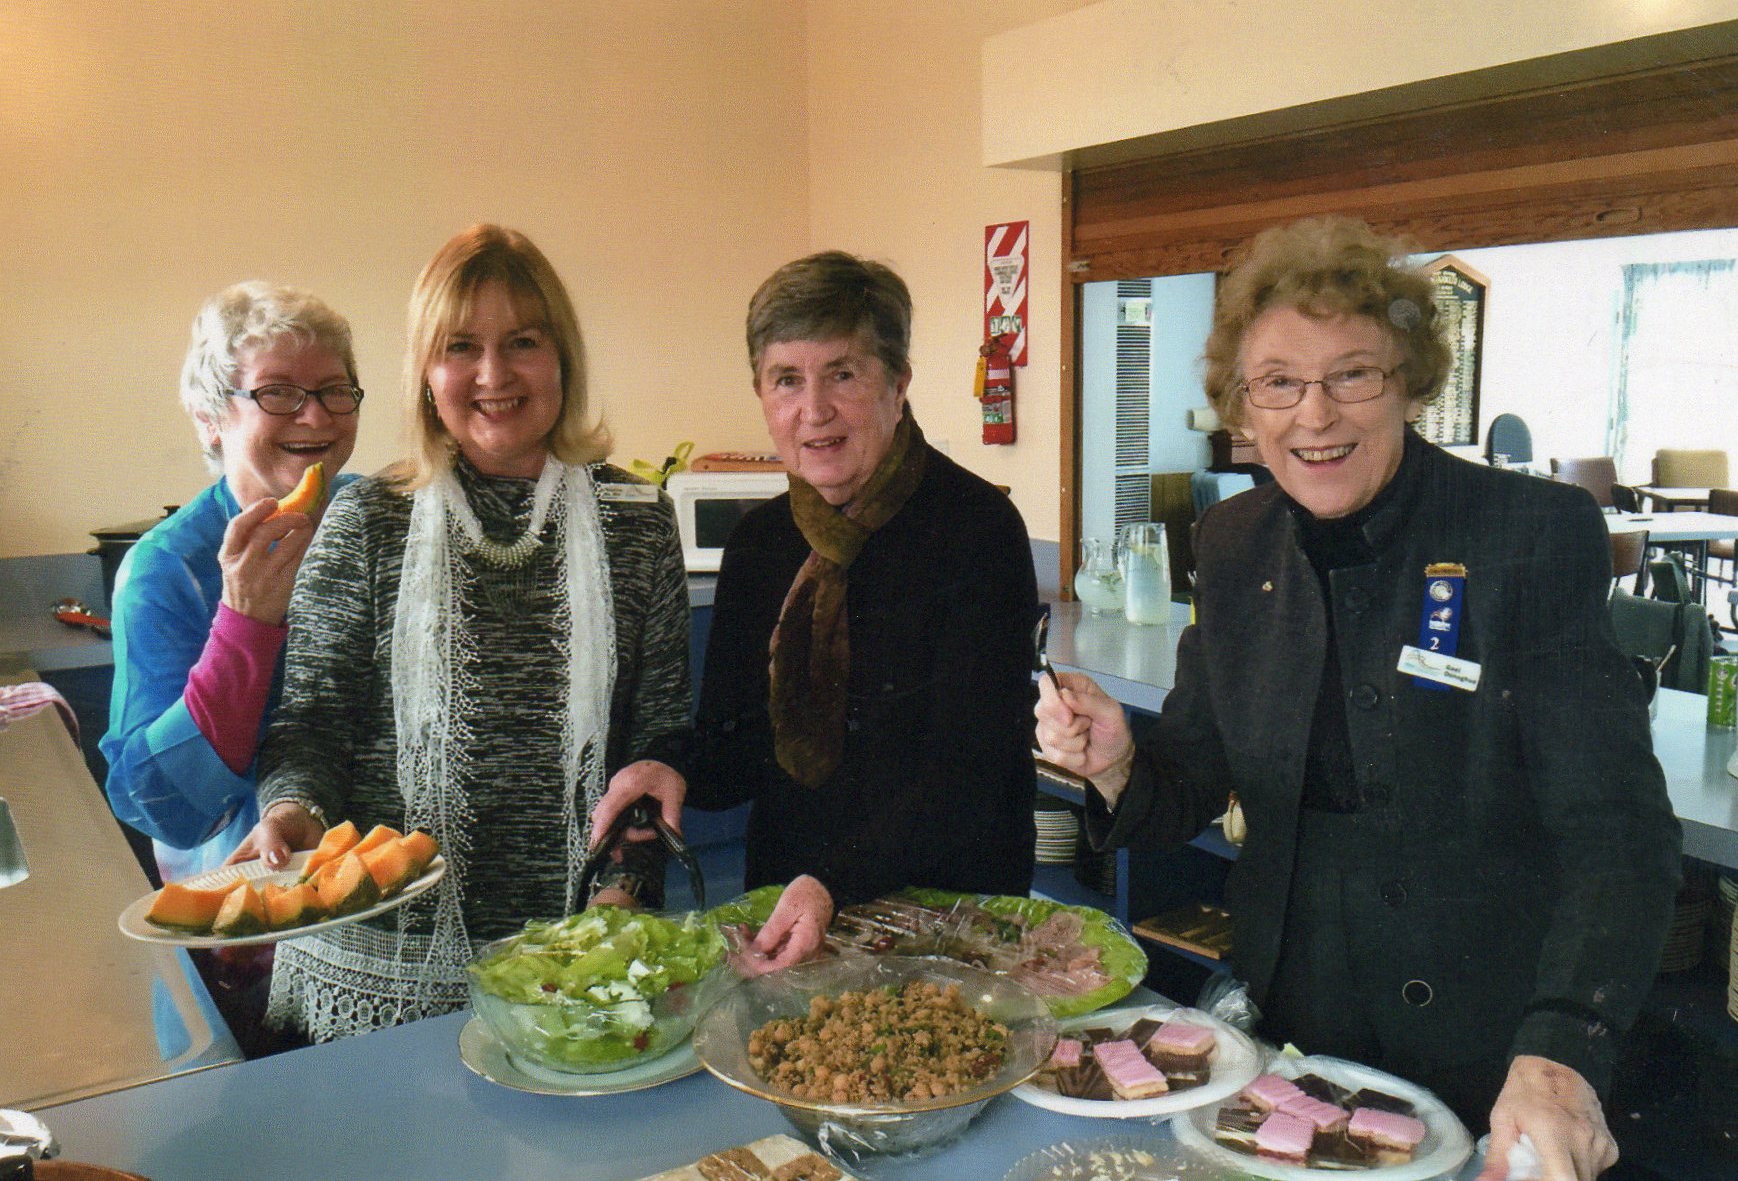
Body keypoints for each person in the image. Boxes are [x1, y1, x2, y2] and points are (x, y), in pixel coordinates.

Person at [1034, 218, 1681, 1181]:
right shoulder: (1235, 540)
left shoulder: (1527, 532)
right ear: (1243, 409)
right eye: (1279, 384)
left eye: (1353, 375)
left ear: (1411, 383)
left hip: (1486, 1042)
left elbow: (1618, 833)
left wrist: (1563, 1051)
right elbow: (1198, 772)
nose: (1315, 415)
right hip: (1291, 1021)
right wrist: (1119, 759)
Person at [232, 225, 691, 1042]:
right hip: (377, 975)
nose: (493, 374)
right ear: (425, 372)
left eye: (523, 341)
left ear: (563, 359)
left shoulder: (638, 523)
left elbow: (654, 743)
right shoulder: (365, 518)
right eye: (461, 346)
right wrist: (295, 810)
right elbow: (313, 723)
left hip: (576, 958)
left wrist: (622, 891)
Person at [593, 251, 1041, 974]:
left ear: (898, 384)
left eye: (843, 374)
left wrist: (837, 881)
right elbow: (739, 747)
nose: (814, 411)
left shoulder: (977, 531)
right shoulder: (761, 544)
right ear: (761, 394)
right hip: (794, 915)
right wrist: (668, 768)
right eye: (787, 380)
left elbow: (972, 770)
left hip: (952, 923)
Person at [103, 281, 363, 883]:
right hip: (254, 910)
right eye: (278, 393)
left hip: (395, 889)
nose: (317, 415)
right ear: (210, 416)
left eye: (334, 391)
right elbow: (164, 808)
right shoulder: (166, 570)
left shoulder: (380, 520)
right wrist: (243, 625)